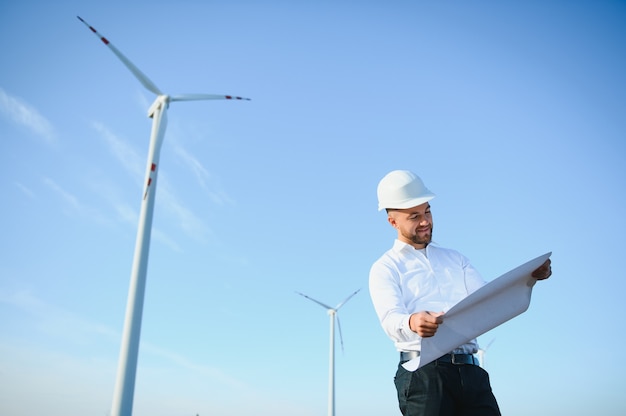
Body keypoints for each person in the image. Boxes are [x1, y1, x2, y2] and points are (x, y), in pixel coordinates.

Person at [369, 170, 552, 416]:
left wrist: (530, 278)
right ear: (393, 222)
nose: (425, 221)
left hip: (471, 374)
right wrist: (412, 321)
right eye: (414, 216)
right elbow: (390, 318)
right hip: (424, 378)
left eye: (428, 211)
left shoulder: (456, 259)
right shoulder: (386, 267)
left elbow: (487, 298)